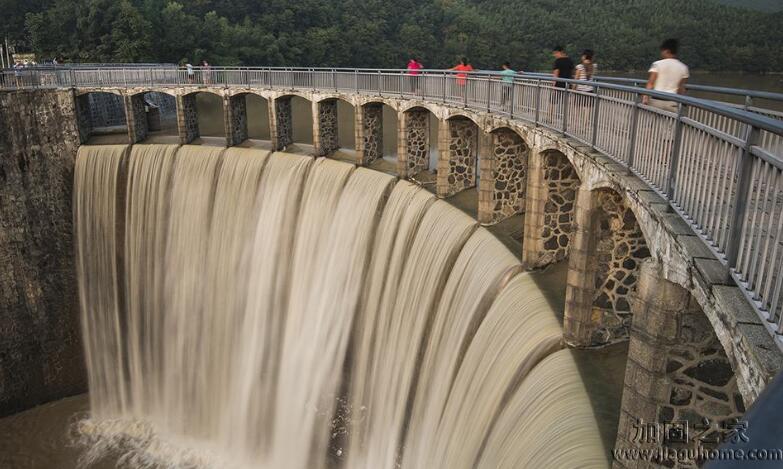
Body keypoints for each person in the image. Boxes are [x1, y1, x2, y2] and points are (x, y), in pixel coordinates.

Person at [644, 38, 689, 112]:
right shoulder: (683, 67)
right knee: (671, 123)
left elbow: (650, 83)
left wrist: (645, 97)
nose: (661, 53)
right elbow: (680, 88)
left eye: (662, 51)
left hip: (656, 100)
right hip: (672, 101)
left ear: (666, 51)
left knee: (652, 123)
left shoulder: (657, 64)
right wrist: (682, 100)